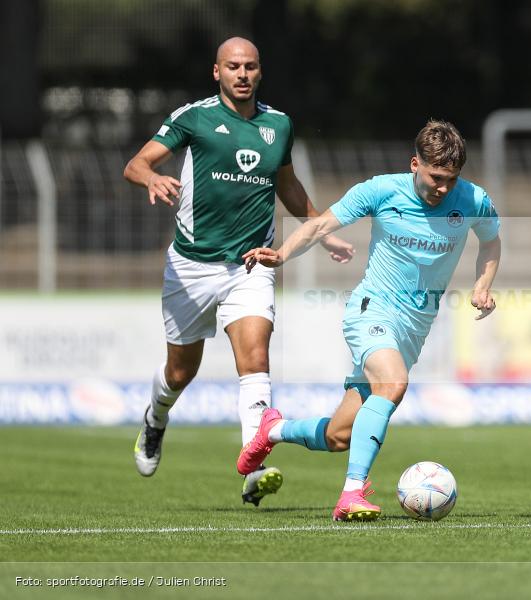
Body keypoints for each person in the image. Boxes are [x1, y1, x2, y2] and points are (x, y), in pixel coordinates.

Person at [123, 37, 354, 506]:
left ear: (260, 71)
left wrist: (319, 226)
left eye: (250, 66)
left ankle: (255, 466)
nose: (242, 74)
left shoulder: (278, 124)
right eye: (233, 67)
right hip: (191, 267)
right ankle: (155, 419)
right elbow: (136, 163)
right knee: (180, 372)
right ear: (217, 72)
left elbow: (285, 184)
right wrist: (152, 178)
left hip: (251, 263)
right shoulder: (194, 118)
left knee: (255, 357)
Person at [238, 120, 501, 521]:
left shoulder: (473, 200)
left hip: (415, 327)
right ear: (415, 163)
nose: (443, 189)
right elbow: (322, 224)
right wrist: (282, 253)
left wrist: (483, 283)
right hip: (371, 310)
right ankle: (351, 494)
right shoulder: (380, 190)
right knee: (393, 383)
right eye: (435, 177)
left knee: (339, 435)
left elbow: (491, 240)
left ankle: (272, 429)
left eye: (451, 179)